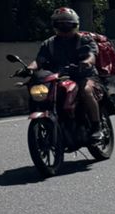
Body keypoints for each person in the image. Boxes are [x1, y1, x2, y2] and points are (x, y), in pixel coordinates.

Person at [36, 7, 102, 138]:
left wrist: (87, 62)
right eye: (60, 24)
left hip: (84, 76)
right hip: (59, 77)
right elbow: (39, 61)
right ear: (55, 25)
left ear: (75, 24)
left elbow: (92, 55)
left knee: (86, 91)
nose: (64, 27)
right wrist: (28, 68)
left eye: (67, 24)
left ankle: (96, 126)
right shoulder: (49, 43)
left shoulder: (84, 40)